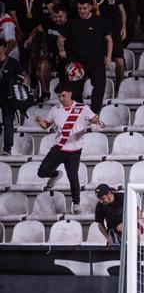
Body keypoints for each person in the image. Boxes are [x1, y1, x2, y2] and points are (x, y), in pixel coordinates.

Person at [34, 83, 102, 213]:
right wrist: (40, 121)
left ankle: (76, 204)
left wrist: (96, 124)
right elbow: (46, 125)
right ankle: (56, 175)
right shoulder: (55, 109)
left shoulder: (82, 108)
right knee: (41, 172)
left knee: (73, 177)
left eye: (63, 96)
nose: (61, 99)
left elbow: (96, 121)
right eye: (59, 96)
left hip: (74, 151)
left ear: (70, 94)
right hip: (59, 148)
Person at [60, 0, 111, 116]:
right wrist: (61, 50)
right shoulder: (72, 22)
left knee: (99, 86)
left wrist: (109, 56)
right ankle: (80, 112)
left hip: (96, 61)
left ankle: (94, 113)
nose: (82, 11)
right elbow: (61, 38)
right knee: (75, 89)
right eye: (79, 9)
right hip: (77, 62)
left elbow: (109, 39)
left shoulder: (100, 21)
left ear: (90, 7)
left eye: (85, 8)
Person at [0, 42, 22, 154]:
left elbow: (22, 77)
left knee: (8, 122)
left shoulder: (13, 62)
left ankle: (7, 148)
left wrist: (12, 80)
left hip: (8, 97)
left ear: (4, 48)